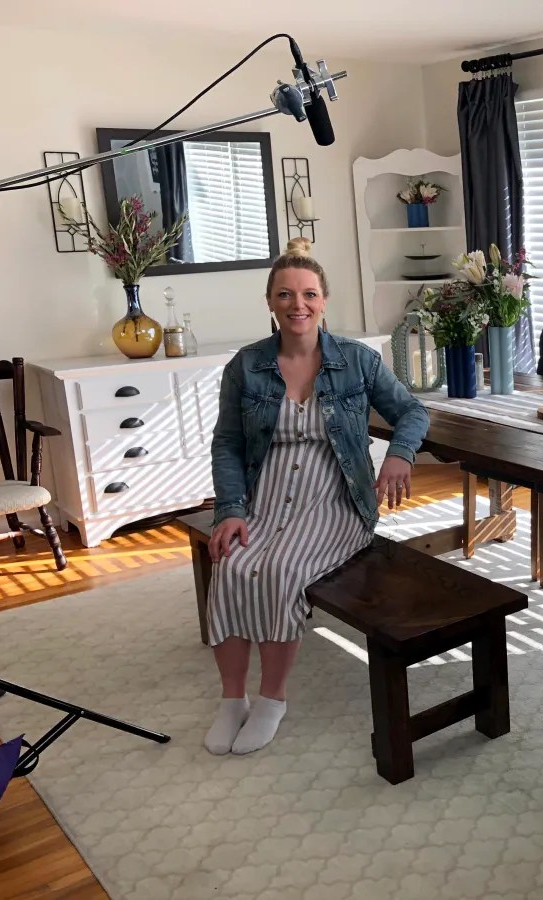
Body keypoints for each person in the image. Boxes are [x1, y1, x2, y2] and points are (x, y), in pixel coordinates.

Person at [202, 238, 429, 756]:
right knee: (231, 565)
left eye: (308, 294)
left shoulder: (358, 360)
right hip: (264, 495)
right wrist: (230, 510)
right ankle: (232, 699)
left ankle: (272, 698)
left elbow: (413, 411)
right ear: (270, 302)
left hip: (337, 498)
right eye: (285, 294)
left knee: (281, 570)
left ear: (323, 300)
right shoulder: (246, 366)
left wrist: (400, 454)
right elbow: (228, 443)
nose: (297, 304)